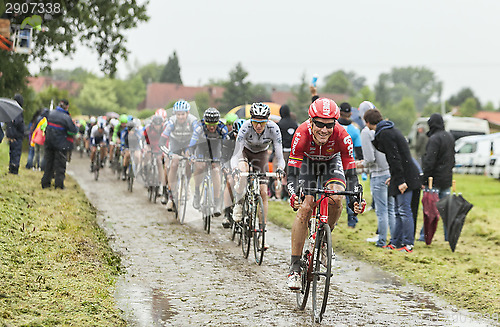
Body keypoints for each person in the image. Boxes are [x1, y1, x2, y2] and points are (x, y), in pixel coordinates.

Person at [286, 98, 366, 290]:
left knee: (337, 197)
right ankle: (295, 267)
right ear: (311, 121)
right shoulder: (301, 133)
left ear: (335, 123)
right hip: (307, 164)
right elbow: (293, 171)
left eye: (329, 125)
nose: (324, 129)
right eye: (319, 124)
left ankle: (323, 239)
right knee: (306, 206)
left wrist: (355, 198)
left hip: (331, 163)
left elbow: (351, 173)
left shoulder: (342, 135)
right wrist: (293, 192)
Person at [364, 108, 421, 253]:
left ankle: (408, 244)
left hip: (406, 176)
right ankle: (395, 242)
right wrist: (394, 177)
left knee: (404, 210)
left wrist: (401, 180)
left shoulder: (385, 134)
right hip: (404, 174)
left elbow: (394, 158)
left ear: (368, 122)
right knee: (397, 211)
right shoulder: (389, 129)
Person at [231, 103, 286, 248]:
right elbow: (236, 153)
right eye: (255, 122)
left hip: (261, 154)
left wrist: (280, 169)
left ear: (267, 121)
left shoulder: (274, 129)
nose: (259, 126)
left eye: (262, 122)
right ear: (251, 120)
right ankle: (239, 203)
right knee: (243, 172)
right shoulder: (245, 127)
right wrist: (236, 169)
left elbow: (280, 155)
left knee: (263, 192)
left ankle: (262, 234)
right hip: (244, 152)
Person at [356, 101, 395, 248]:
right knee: (391, 209)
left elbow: (370, 158)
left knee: (381, 210)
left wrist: (361, 164)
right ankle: (394, 240)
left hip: (378, 174)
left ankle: (381, 241)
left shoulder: (366, 131)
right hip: (390, 172)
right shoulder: (384, 128)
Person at [418, 113, 455, 241]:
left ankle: (425, 236)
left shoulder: (434, 139)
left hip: (433, 180)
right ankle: (448, 236)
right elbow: (452, 160)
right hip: (447, 179)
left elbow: (429, 161)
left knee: (429, 211)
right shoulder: (449, 137)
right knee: (446, 211)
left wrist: (424, 178)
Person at [189, 107, 229, 216]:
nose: (211, 127)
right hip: (202, 147)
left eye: (214, 124)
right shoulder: (199, 127)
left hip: (215, 148)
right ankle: (197, 193)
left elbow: (227, 145)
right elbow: (192, 143)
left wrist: (225, 159)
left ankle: (216, 202)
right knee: (200, 167)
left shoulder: (222, 128)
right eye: (209, 124)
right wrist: (192, 155)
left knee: (216, 170)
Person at [159, 100, 198, 207]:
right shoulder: (172, 122)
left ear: (188, 113)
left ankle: (187, 183)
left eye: (183, 114)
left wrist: (193, 153)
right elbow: (162, 140)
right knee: (174, 163)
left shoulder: (193, 121)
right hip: (175, 143)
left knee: (188, 160)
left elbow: (198, 136)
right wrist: (169, 153)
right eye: (178, 114)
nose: (180, 117)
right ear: (175, 114)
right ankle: (171, 194)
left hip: (188, 143)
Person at [41, 99, 77, 189]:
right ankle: (59, 185)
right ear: (67, 106)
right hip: (61, 145)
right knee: (60, 166)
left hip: (48, 143)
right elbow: (73, 131)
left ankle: (45, 183)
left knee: (49, 163)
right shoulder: (66, 117)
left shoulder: (50, 113)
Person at [338, 102, 363, 229]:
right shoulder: (355, 130)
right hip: (349, 163)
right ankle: (352, 221)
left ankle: (331, 219)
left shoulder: (334, 126)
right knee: (350, 193)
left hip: (334, 164)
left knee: (332, 191)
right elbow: (359, 151)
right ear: (351, 114)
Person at [144, 114, 168, 205]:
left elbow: (166, 141)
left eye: (159, 125)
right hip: (150, 146)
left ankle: (160, 184)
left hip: (159, 147)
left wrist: (164, 151)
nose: (157, 127)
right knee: (147, 156)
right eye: (156, 125)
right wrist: (146, 148)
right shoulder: (148, 129)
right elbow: (144, 139)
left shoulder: (164, 129)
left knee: (159, 162)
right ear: (152, 124)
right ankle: (147, 174)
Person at [277, 104, 298, 200]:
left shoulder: (280, 124)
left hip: (282, 152)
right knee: (292, 175)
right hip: (293, 152)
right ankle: (291, 195)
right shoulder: (294, 124)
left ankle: (278, 195)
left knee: (279, 173)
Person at [6, 94, 25, 175]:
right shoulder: (18, 112)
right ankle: (14, 170)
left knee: (12, 152)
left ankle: (11, 168)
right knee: (16, 153)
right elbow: (19, 123)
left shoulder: (10, 111)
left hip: (11, 135)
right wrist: (23, 131)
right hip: (17, 136)